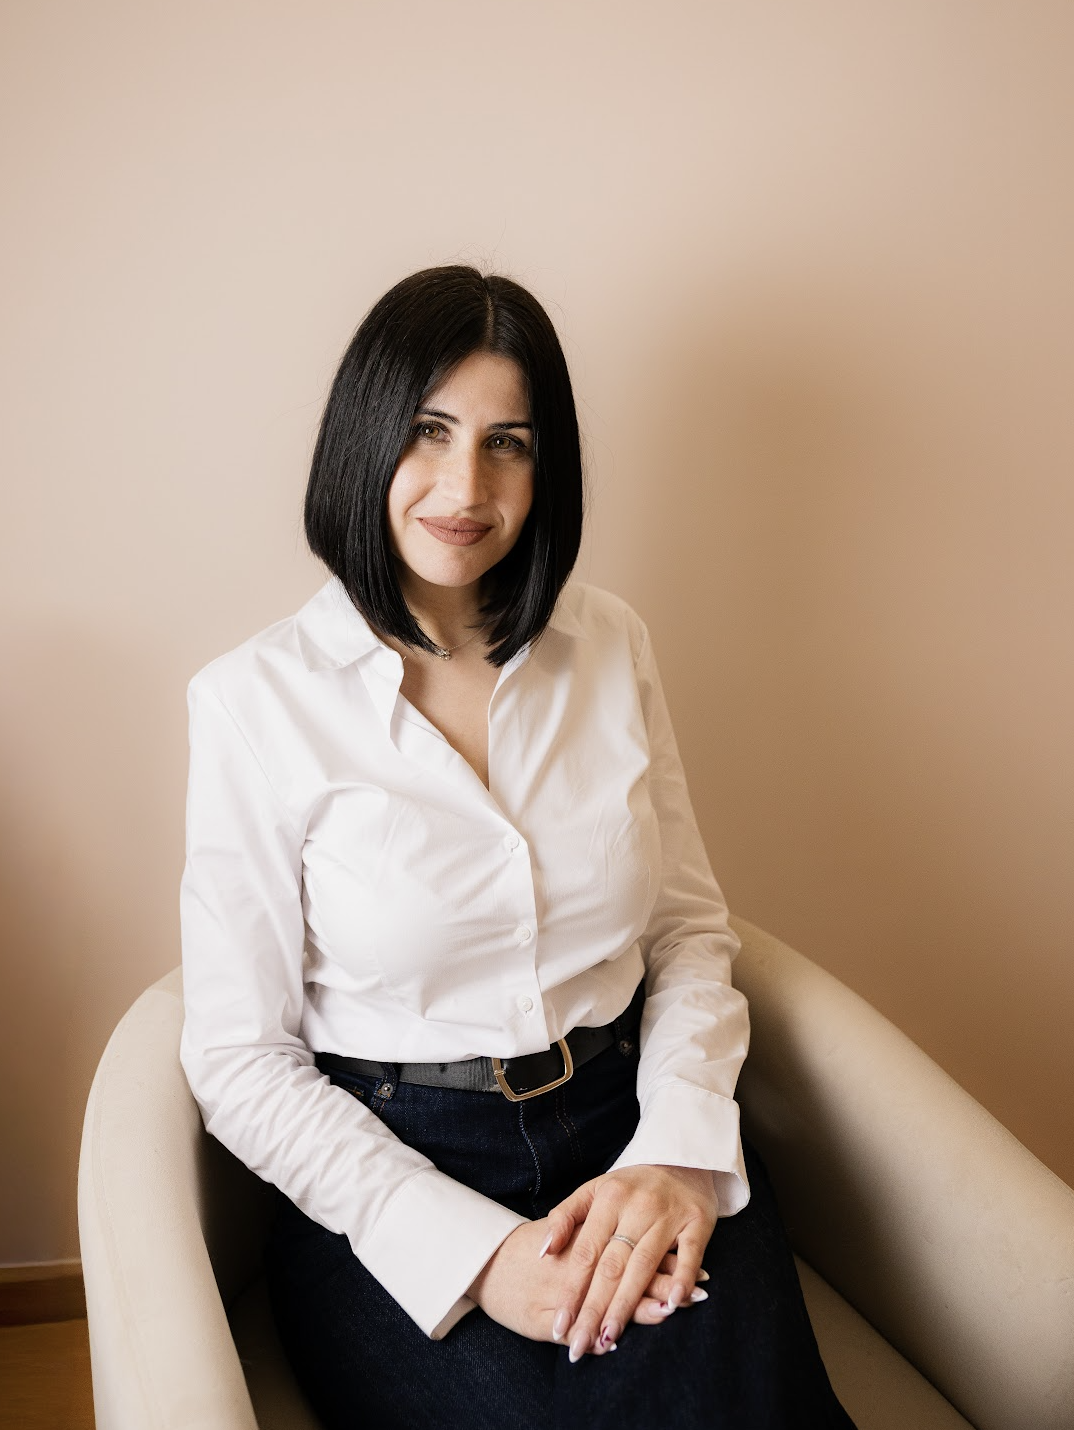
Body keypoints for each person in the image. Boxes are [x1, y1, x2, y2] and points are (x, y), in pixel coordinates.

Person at [179, 266, 854, 1428]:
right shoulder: (253, 701)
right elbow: (240, 1055)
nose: (466, 486)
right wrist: (479, 1256)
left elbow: (688, 932)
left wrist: (677, 1150)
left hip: (627, 1120)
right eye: (429, 431)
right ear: (364, 437)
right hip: (393, 1172)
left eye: (510, 443)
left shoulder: (611, 643)